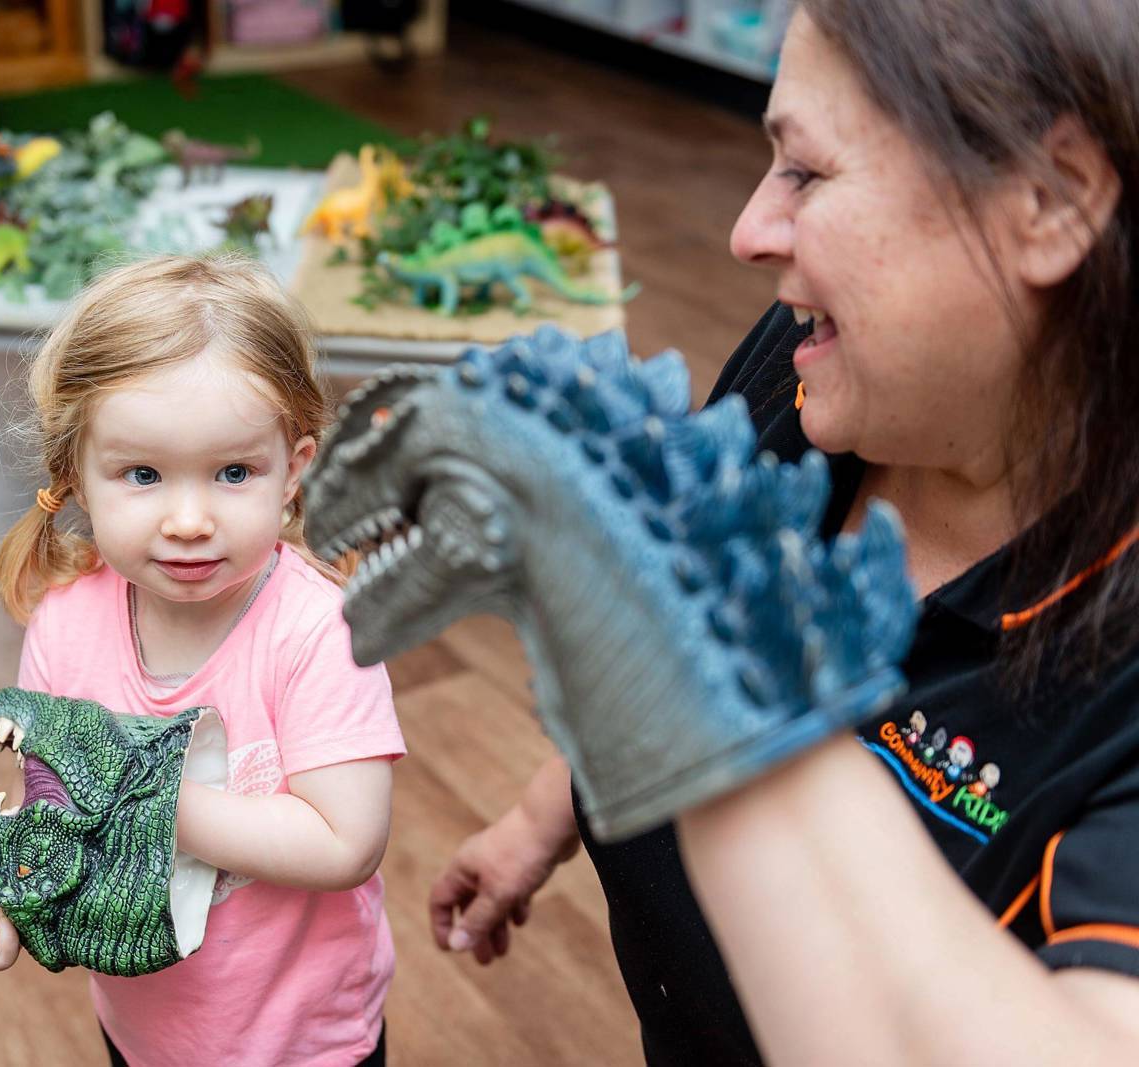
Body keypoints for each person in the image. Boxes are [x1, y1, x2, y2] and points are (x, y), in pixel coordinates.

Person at [429, 3, 1139, 1063]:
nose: (748, 231)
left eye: (807, 172)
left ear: (1050, 200)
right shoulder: (816, 367)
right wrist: (546, 814)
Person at [0, 254, 404, 1067]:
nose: (189, 519)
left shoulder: (321, 631)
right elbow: (58, 829)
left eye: (233, 472)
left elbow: (344, 843)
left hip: (304, 1043)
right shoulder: (66, 620)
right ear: (77, 475)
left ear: (293, 472)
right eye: (143, 474)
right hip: (144, 1031)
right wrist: (1, 919)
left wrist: (137, 800)